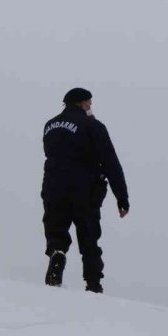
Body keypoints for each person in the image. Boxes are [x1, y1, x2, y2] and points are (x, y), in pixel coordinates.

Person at [41, 87, 129, 293]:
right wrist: (122, 198)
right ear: (81, 103)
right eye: (89, 102)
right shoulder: (93, 126)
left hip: (53, 186)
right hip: (84, 188)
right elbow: (110, 163)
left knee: (56, 228)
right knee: (89, 235)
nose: (91, 106)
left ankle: (57, 253)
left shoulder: (50, 125)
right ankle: (93, 283)